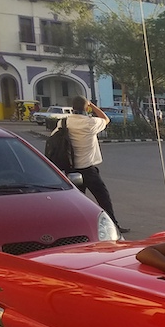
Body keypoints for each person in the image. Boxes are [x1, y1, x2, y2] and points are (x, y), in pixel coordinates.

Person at [65, 95, 128, 233]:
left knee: (77, 202)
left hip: (71, 170)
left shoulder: (65, 122)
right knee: (103, 197)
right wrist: (92, 105)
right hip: (87, 168)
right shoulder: (90, 123)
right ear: (86, 107)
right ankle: (113, 225)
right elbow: (106, 119)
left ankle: (77, 228)